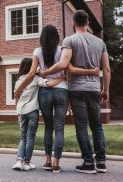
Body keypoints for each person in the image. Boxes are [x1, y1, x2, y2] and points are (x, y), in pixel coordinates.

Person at [14, 25, 99, 173]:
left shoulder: (37, 51)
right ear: (56, 37)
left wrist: (20, 87)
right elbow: (68, 69)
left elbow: (31, 74)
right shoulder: (63, 50)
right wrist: (64, 77)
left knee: (48, 127)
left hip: (45, 92)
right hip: (62, 91)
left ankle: (47, 161)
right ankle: (56, 163)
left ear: (42, 37)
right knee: (59, 128)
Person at [40, 10, 111, 174]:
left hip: (77, 90)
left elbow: (63, 63)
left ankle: (88, 163)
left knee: (82, 127)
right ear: (87, 23)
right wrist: (105, 89)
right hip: (94, 89)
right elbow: (106, 69)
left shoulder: (70, 40)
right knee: (97, 127)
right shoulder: (100, 42)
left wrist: (45, 72)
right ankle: (101, 162)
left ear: (73, 23)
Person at [12, 58, 65, 171]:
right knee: (30, 137)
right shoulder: (36, 79)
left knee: (23, 137)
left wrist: (18, 112)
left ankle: (19, 161)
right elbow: (50, 84)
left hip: (21, 112)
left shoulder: (18, 81)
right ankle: (27, 163)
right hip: (32, 112)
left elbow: (16, 99)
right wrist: (62, 78)